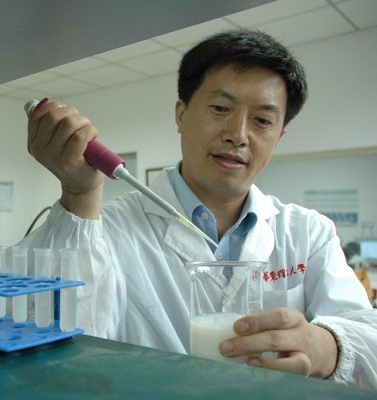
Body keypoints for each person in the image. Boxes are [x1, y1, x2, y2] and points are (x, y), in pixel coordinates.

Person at [23, 29, 377, 389]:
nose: (238, 135)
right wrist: (80, 194)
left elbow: (368, 336)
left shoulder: (308, 233)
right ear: (181, 114)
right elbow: (60, 349)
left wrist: (327, 348)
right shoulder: (106, 228)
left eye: (263, 120)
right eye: (221, 108)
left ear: (279, 137)